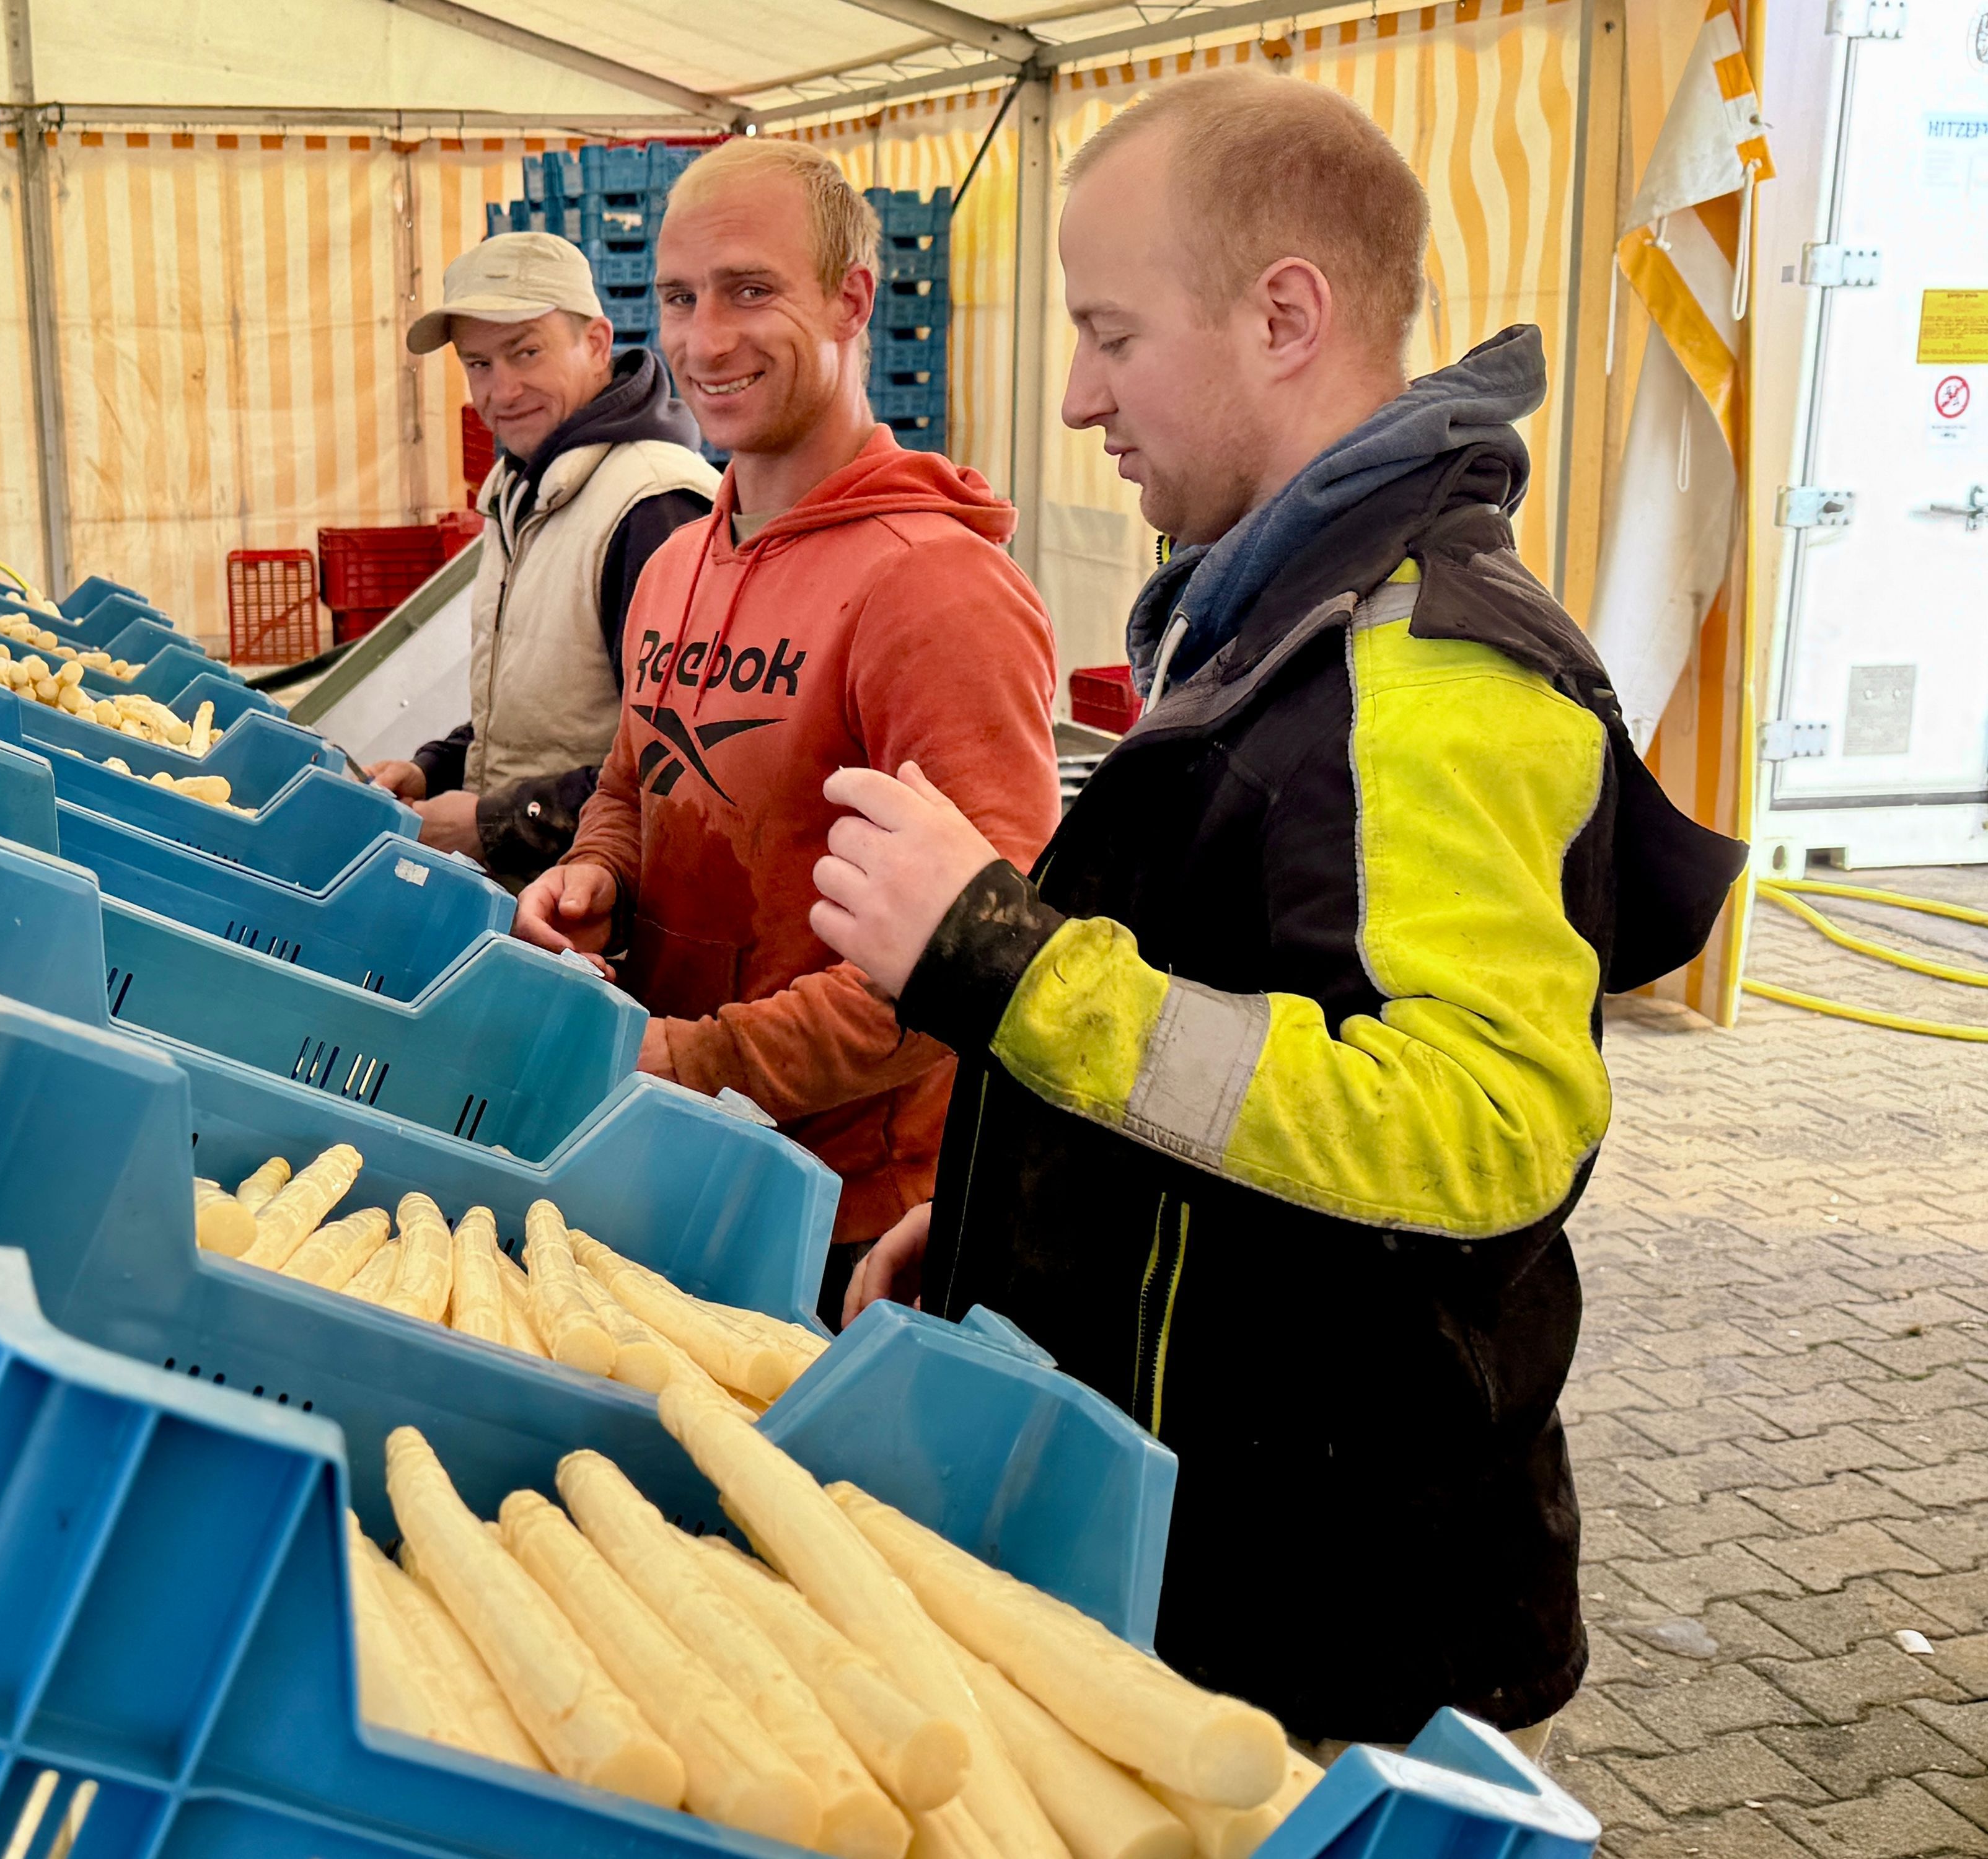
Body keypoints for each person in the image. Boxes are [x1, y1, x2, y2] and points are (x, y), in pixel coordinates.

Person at [806, 72, 1745, 1753]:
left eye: (1111, 332)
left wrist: (995, 964)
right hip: (1214, 1556)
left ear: (1285, 315)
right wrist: (1013, 1228)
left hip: (1341, 1636)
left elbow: (1484, 1133)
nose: (1081, 396)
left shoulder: (1437, 671)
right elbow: (1244, 1010)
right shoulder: (1269, 608)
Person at [510, 139, 1060, 1321]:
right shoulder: (673, 564)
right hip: (684, 1162)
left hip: (849, 1225)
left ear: (854, 300)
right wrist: (595, 867)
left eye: (751, 290)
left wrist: (684, 1063)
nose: (706, 341)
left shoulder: (938, 590)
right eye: (678, 298)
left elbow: (979, 964)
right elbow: (631, 780)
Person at [371, 232, 719, 886]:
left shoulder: (652, 505)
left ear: (594, 341)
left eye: (524, 352)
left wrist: (495, 822)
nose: (501, 391)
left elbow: (682, 765)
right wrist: (434, 768)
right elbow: (542, 711)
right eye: (478, 364)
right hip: (529, 894)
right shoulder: (521, 490)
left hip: (605, 914)